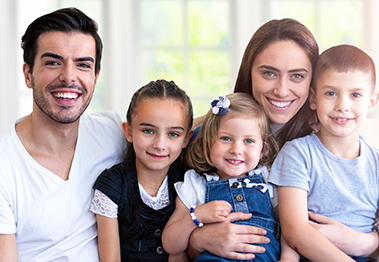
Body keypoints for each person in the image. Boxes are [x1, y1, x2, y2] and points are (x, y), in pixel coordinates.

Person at [188, 18, 378, 261]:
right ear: (250, 73)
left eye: (297, 76)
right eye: (269, 73)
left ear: (313, 86)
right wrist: (197, 240)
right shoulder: (208, 141)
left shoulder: (334, 141)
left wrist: (365, 242)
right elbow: (162, 237)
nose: (282, 90)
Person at [0, 8, 126, 261]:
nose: (69, 77)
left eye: (83, 65)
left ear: (95, 77)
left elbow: (174, 131)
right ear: (28, 74)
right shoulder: (4, 164)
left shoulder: (112, 132)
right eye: (53, 62)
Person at [269, 44, 379, 261]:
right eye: (331, 93)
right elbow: (295, 231)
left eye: (355, 94)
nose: (342, 105)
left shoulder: (376, 162)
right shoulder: (298, 153)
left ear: (371, 101)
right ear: (313, 98)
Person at [163, 93, 286, 261]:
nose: (236, 149)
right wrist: (196, 216)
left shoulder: (269, 178)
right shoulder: (196, 185)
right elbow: (171, 245)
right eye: (226, 138)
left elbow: (290, 227)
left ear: (263, 149)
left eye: (248, 141)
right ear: (208, 143)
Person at [90, 80, 193, 261]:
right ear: (129, 132)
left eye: (173, 134)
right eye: (148, 131)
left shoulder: (190, 181)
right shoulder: (112, 185)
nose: (160, 145)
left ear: (186, 139)